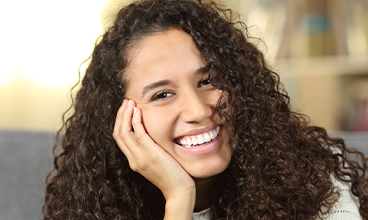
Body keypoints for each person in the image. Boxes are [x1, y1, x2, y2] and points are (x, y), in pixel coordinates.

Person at [42, 0, 368, 219]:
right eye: (162, 94)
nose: (198, 110)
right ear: (122, 120)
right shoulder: (96, 205)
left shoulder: (312, 173)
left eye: (208, 80)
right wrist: (179, 198)